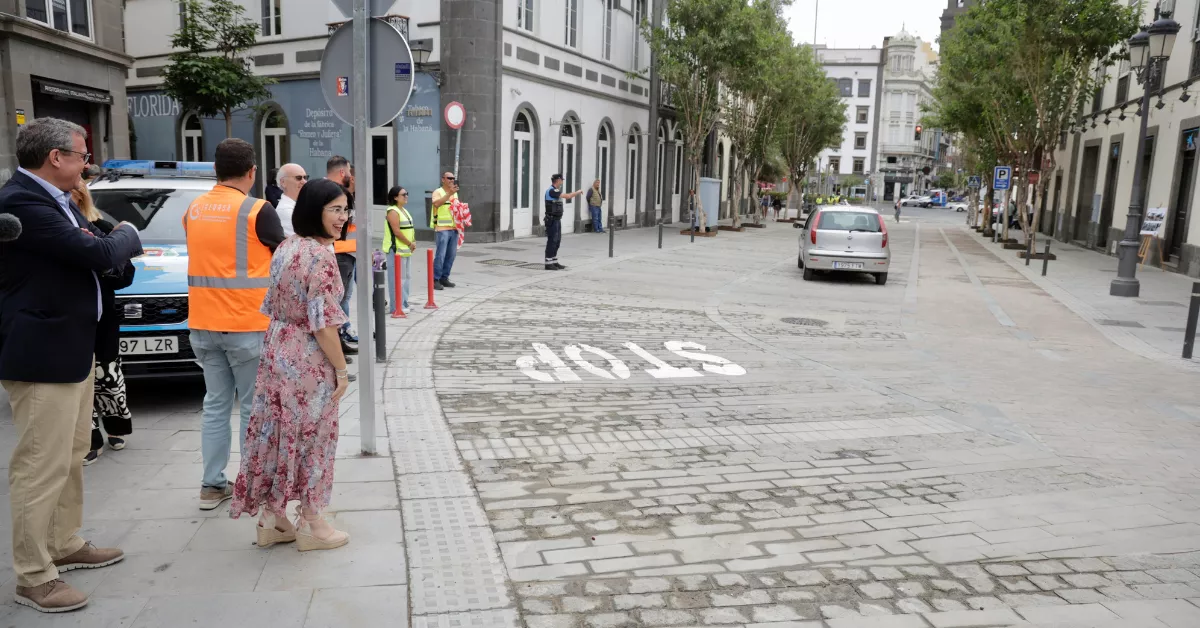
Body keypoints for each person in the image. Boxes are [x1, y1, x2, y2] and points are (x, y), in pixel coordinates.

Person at [0, 117, 143, 613]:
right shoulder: (23, 202)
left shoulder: (58, 200)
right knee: (40, 464)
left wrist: (109, 239)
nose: (88, 164)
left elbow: (108, 262)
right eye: (83, 155)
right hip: (42, 352)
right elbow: (99, 251)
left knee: (71, 453)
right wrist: (127, 230)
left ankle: (63, 543)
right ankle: (34, 576)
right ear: (55, 157)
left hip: (73, 347)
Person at [229, 178, 351, 552]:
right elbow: (323, 325)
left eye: (345, 210)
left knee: (279, 433)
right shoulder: (321, 257)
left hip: (277, 351)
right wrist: (341, 370)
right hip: (308, 359)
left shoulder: (286, 246)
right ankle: (312, 523)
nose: (343, 217)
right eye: (335, 209)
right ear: (314, 211)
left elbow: (274, 303)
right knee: (314, 438)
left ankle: (272, 519)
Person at [184, 138, 285, 512]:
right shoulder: (258, 210)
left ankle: (211, 485)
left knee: (215, 405)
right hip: (246, 324)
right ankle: (251, 485)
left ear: (215, 169)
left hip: (203, 324)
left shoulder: (194, 209)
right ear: (252, 172)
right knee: (252, 409)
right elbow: (284, 257)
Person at [72, 177, 137, 466]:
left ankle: (115, 427)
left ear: (82, 197)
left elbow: (127, 273)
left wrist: (102, 263)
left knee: (108, 375)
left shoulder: (101, 226)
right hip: (72, 316)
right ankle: (90, 439)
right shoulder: (59, 230)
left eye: (75, 195)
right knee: (80, 378)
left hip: (103, 314)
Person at [325, 156, 359, 354]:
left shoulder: (343, 193)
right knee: (337, 300)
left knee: (343, 299)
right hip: (339, 252)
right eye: (349, 172)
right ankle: (336, 345)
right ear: (342, 173)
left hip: (348, 252)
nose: (351, 176)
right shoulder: (332, 193)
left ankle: (340, 339)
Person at [383, 186, 416, 313]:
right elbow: (396, 231)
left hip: (405, 249)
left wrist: (413, 242)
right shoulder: (392, 211)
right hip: (396, 250)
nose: (406, 196)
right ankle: (396, 307)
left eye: (407, 193)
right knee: (396, 279)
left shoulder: (403, 210)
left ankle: (404, 303)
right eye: (403, 194)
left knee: (406, 278)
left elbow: (409, 228)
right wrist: (410, 243)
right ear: (395, 197)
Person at [544, 174, 584, 270]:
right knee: (552, 241)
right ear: (557, 180)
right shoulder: (552, 190)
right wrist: (578, 192)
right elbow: (568, 196)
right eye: (561, 180)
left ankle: (554, 261)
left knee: (557, 241)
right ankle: (548, 263)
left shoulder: (555, 190)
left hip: (557, 219)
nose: (562, 182)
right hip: (552, 220)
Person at [430, 171, 460, 289]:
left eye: (453, 178)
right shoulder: (438, 192)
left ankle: (444, 277)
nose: (451, 180)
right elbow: (436, 204)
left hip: (454, 228)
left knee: (451, 255)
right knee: (441, 255)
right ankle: (435, 279)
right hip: (442, 228)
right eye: (449, 178)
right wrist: (449, 194)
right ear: (443, 179)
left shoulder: (455, 193)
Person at [275, 163, 308, 238]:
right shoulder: (286, 210)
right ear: (283, 182)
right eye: (298, 178)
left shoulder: (300, 205)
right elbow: (303, 240)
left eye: (305, 177)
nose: (304, 182)